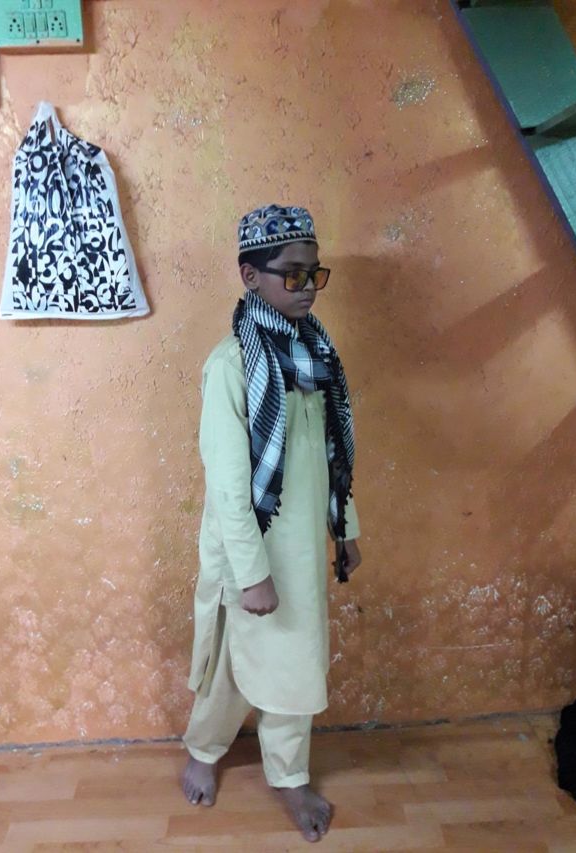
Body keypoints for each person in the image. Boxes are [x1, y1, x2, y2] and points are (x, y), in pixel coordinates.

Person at [181, 204, 362, 843]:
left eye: (314, 273)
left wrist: (346, 527)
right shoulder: (231, 366)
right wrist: (253, 574)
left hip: (302, 548)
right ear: (250, 276)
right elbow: (230, 487)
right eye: (292, 274)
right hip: (246, 550)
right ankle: (204, 750)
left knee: (294, 663)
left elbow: (335, 455)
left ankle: (288, 775)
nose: (307, 286)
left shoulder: (317, 355)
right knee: (232, 664)